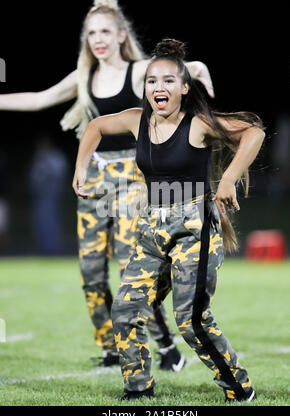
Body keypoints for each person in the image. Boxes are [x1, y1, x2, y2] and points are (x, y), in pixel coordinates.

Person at [0, 0, 215, 369]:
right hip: (97, 178)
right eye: (91, 33)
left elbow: (188, 69)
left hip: (134, 177)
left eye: (104, 31)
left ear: (120, 34)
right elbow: (38, 99)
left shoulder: (137, 72)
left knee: (129, 266)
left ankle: (165, 347)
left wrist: (203, 79)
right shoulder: (83, 77)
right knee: (90, 270)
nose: (97, 39)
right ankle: (111, 349)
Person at [73, 38, 265, 402]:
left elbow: (253, 132)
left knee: (191, 321)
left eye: (167, 81)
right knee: (126, 310)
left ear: (183, 88)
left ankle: (239, 389)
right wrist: (80, 168)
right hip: (152, 229)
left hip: (194, 230)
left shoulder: (198, 124)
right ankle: (138, 392)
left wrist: (227, 179)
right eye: (151, 81)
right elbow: (95, 126)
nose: (158, 87)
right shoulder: (136, 120)